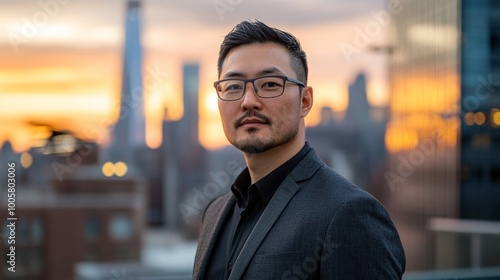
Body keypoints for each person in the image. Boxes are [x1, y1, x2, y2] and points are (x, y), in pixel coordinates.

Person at [193, 20, 405, 280]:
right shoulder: (214, 214)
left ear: (305, 101)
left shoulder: (349, 214)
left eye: (270, 84)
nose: (248, 101)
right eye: (234, 86)